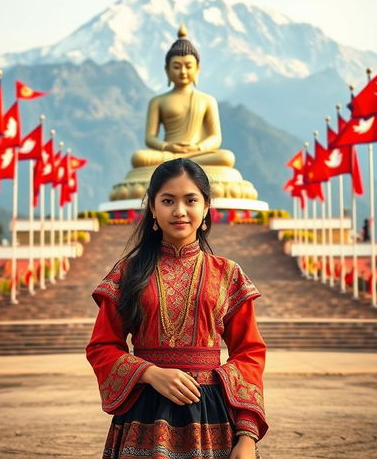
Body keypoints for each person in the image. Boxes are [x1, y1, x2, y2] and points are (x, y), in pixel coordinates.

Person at [86, 158, 267, 458]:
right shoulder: (128, 273)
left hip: (213, 416)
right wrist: (148, 372)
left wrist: (247, 436)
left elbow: (250, 353)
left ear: (206, 206)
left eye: (191, 200)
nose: (180, 211)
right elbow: (101, 346)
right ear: (153, 209)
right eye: (168, 201)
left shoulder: (228, 273)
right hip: (145, 413)